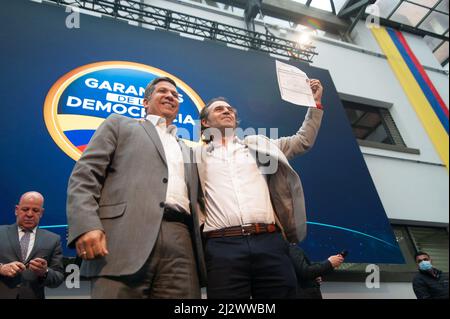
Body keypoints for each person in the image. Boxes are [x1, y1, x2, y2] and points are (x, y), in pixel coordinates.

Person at [66, 76, 206, 299]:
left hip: (181, 241)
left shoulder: (188, 150)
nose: (170, 96)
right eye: (163, 91)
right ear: (145, 101)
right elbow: (86, 174)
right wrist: (86, 225)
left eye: (175, 94)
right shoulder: (119, 124)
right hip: (121, 237)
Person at [195, 79, 325, 299]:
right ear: (206, 123)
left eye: (230, 110)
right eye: (219, 109)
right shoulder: (195, 158)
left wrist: (315, 104)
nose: (227, 111)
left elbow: (303, 140)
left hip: (269, 242)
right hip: (221, 247)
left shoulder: (259, 145)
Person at [0, 191, 64, 299]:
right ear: (16, 210)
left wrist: (45, 272)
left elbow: (58, 278)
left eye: (35, 210)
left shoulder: (53, 239)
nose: (29, 214)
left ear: (41, 213)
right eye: (25, 209)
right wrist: (1, 269)